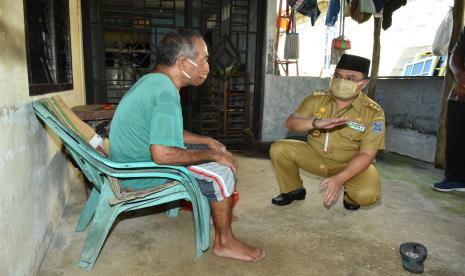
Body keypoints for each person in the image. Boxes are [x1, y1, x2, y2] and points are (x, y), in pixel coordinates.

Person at [109, 29, 265, 261]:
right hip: (139, 171)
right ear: (183, 62)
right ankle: (225, 242)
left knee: (217, 153)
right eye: (203, 59)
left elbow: (164, 131)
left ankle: (216, 211)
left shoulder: (153, 81)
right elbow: (162, 154)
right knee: (221, 171)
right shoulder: (165, 92)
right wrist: (212, 156)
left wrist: (206, 142)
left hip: (132, 159)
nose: (207, 67)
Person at [270, 54, 385, 210]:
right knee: (279, 148)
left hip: (350, 164)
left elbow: (367, 154)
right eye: (338, 76)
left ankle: (351, 196)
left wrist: (339, 179)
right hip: (315, 157)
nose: (342, 81)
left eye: (350, 78)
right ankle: (293, 190)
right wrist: (315, 123)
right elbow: (291, 123)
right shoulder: (317, 98)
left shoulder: (373, 112)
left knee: (367, 195)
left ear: (363, 84)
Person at [432, 27, 465, 192]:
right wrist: (460, 75)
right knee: (455, 137)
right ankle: (455, 179)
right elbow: (455, 56)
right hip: (462, 93)